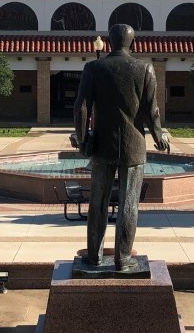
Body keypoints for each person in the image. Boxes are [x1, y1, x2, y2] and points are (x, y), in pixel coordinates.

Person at [72, 23, 170, 272]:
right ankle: (123, 258)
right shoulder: (144, 67)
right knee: (129, 204)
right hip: (134, 146)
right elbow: (151, 110)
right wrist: (159, 137)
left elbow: (81, 107)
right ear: (133, 43)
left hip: (102, 145)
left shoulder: (94, 67)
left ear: (108, 42)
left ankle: (94, 256)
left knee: (98, 202)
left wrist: (83, 141)